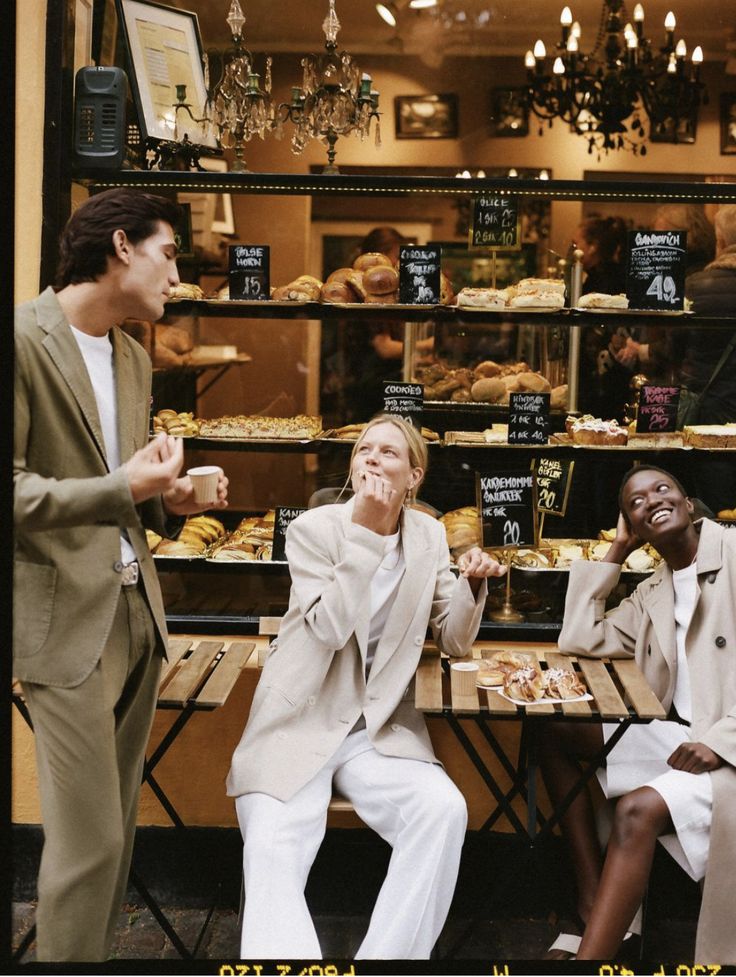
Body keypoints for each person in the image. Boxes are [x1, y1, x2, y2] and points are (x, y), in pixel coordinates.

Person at [14, 188, 229, 961]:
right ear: (121, 246)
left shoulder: (133, 355)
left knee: (119, 839)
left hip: (137, 616)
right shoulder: (21, 340)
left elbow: (123, 486)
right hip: (63, 625)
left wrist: (166, 495)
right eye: (171, 253)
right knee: (87, 846)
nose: (178, 277)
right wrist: (125, 488)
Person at [226, 414, 505, 960]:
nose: (372, 458)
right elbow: (328, 628)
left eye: (388, 453)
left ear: (414, 477)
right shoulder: (314, 530)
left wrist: (473, 584)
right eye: (363, 450)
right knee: (272, 845)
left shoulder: (428, 535)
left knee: (442, 811)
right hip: (298, 724)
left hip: (377, 731)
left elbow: (453, 641)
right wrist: (365, 535)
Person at [540, 465, 736, 964]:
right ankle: (591, 901)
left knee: (636, 811)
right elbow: (580, 637)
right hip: (682, 738)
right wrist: (617, 551)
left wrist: (723, 741)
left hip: (727, 752)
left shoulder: (734, 555)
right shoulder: (654, 591)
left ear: (691, 504)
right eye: (636, 502)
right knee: (554, 728)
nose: (651, 501)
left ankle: (591, 962)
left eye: (663, 489)